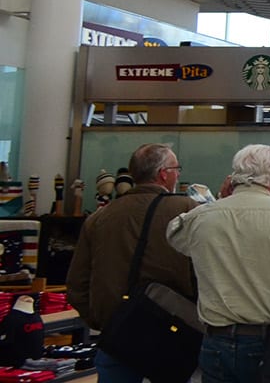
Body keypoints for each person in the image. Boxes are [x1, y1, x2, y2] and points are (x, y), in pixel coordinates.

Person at [166, 145, 270, 382]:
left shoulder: (203, 216)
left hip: (215, 339)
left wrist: (218, 202)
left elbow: (175, 235)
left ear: (233, 178)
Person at [67, 143, 200, 382]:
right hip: (171, 335)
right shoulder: (186, 212)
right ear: (163, 173)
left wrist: (103, 319)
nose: (178, 174)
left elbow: (77, 284)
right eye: (176, 168)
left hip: (117, 335)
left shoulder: (100, 218)